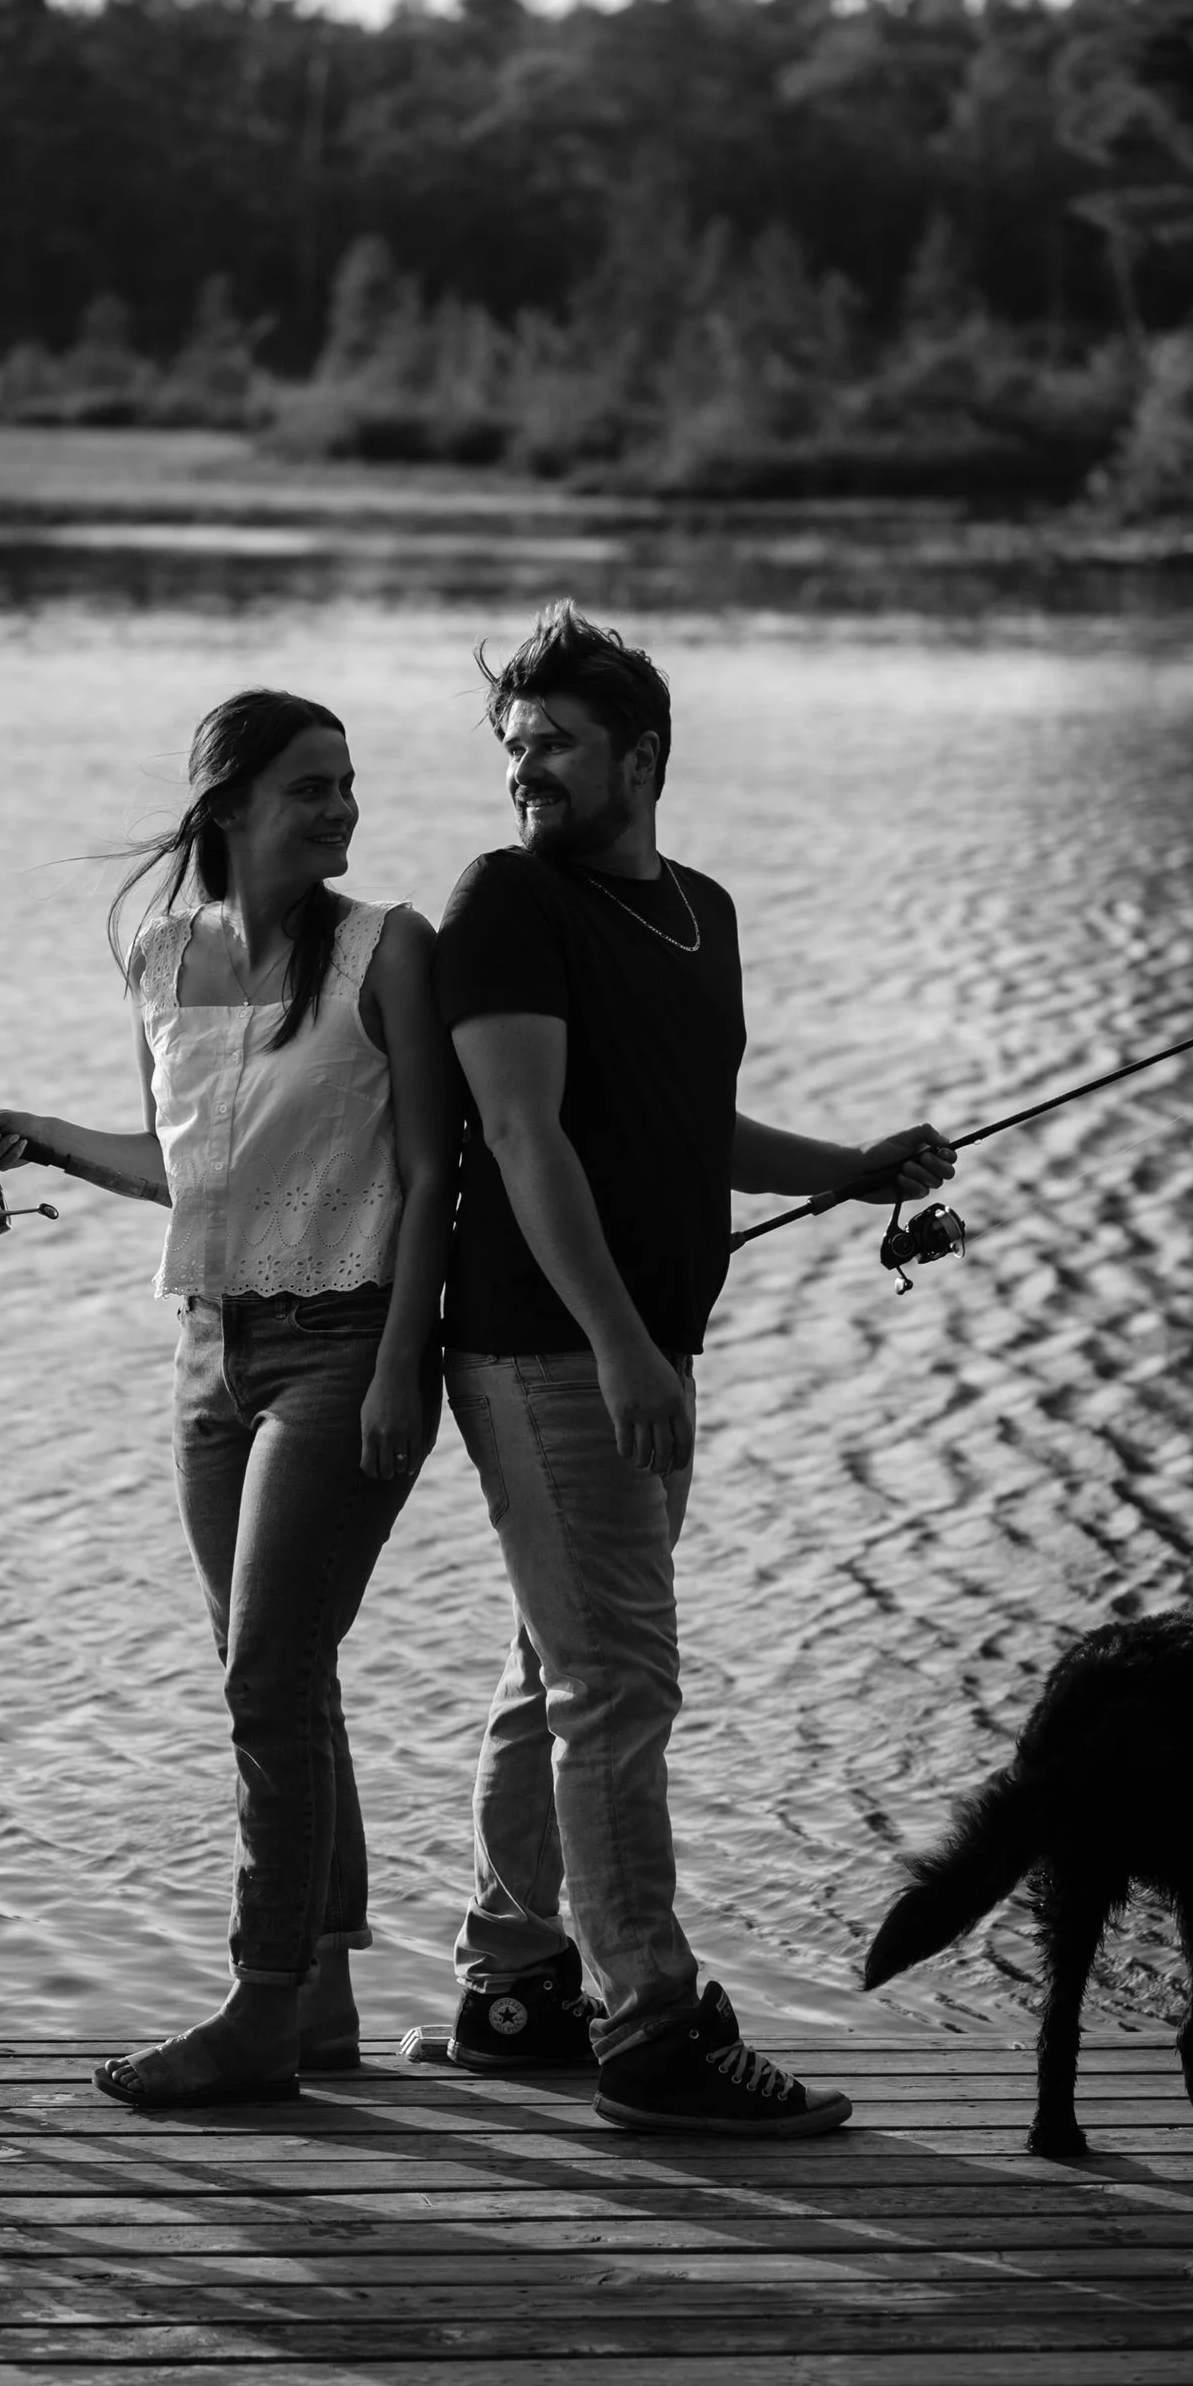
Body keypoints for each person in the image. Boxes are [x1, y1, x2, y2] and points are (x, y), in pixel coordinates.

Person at [434, 602, 956, 2138]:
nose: (527, 767)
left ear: (641, 757)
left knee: (559, 1673)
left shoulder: (701, 911)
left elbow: (688, 1129)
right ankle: (650, 2027)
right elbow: (523, 1137)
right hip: (549, 1346)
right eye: (515, 743)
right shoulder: (507, 904)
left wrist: (852, 1170)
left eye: (558, 743)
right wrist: (616, 1347)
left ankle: (516, 1978)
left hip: (639, 1346)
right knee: (620, 1685)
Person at [0, 689, 456, 2109]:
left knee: (264, 1683)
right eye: (312, 787)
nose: (343, 809)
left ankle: (256, 2003)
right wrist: (46, 1138)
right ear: (229, 805)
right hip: (210, 1354)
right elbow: (187, 1168)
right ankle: (329, 1999)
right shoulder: (164, 957)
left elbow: (433, 1174)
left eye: (348, 784)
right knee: (282, 1674)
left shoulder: (386, 948)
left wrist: (406, 1361)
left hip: (346, 1344)